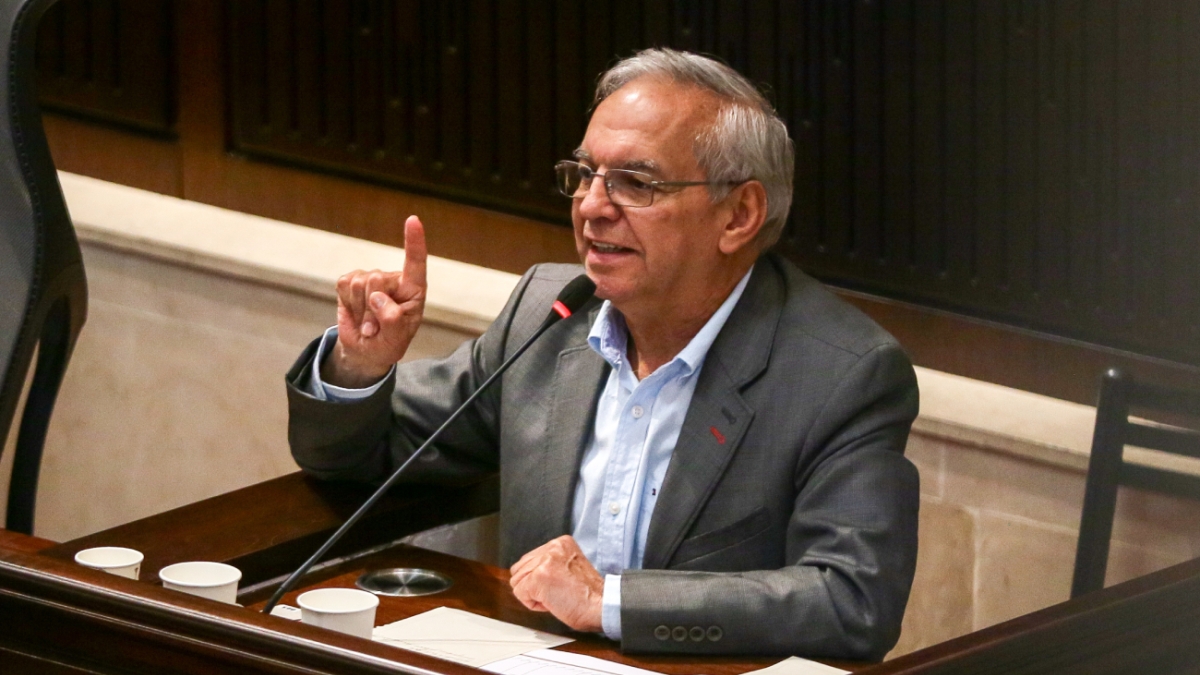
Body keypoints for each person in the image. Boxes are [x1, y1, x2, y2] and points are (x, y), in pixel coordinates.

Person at [286, 48, 919, 659]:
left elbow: (852, 600)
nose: (590, 207)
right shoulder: (550, 312)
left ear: (739, 215)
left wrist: (610, 602)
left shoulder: (841, 372)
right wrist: (361, 368)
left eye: (634, 183)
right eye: (585, 175)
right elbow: (363, 455)